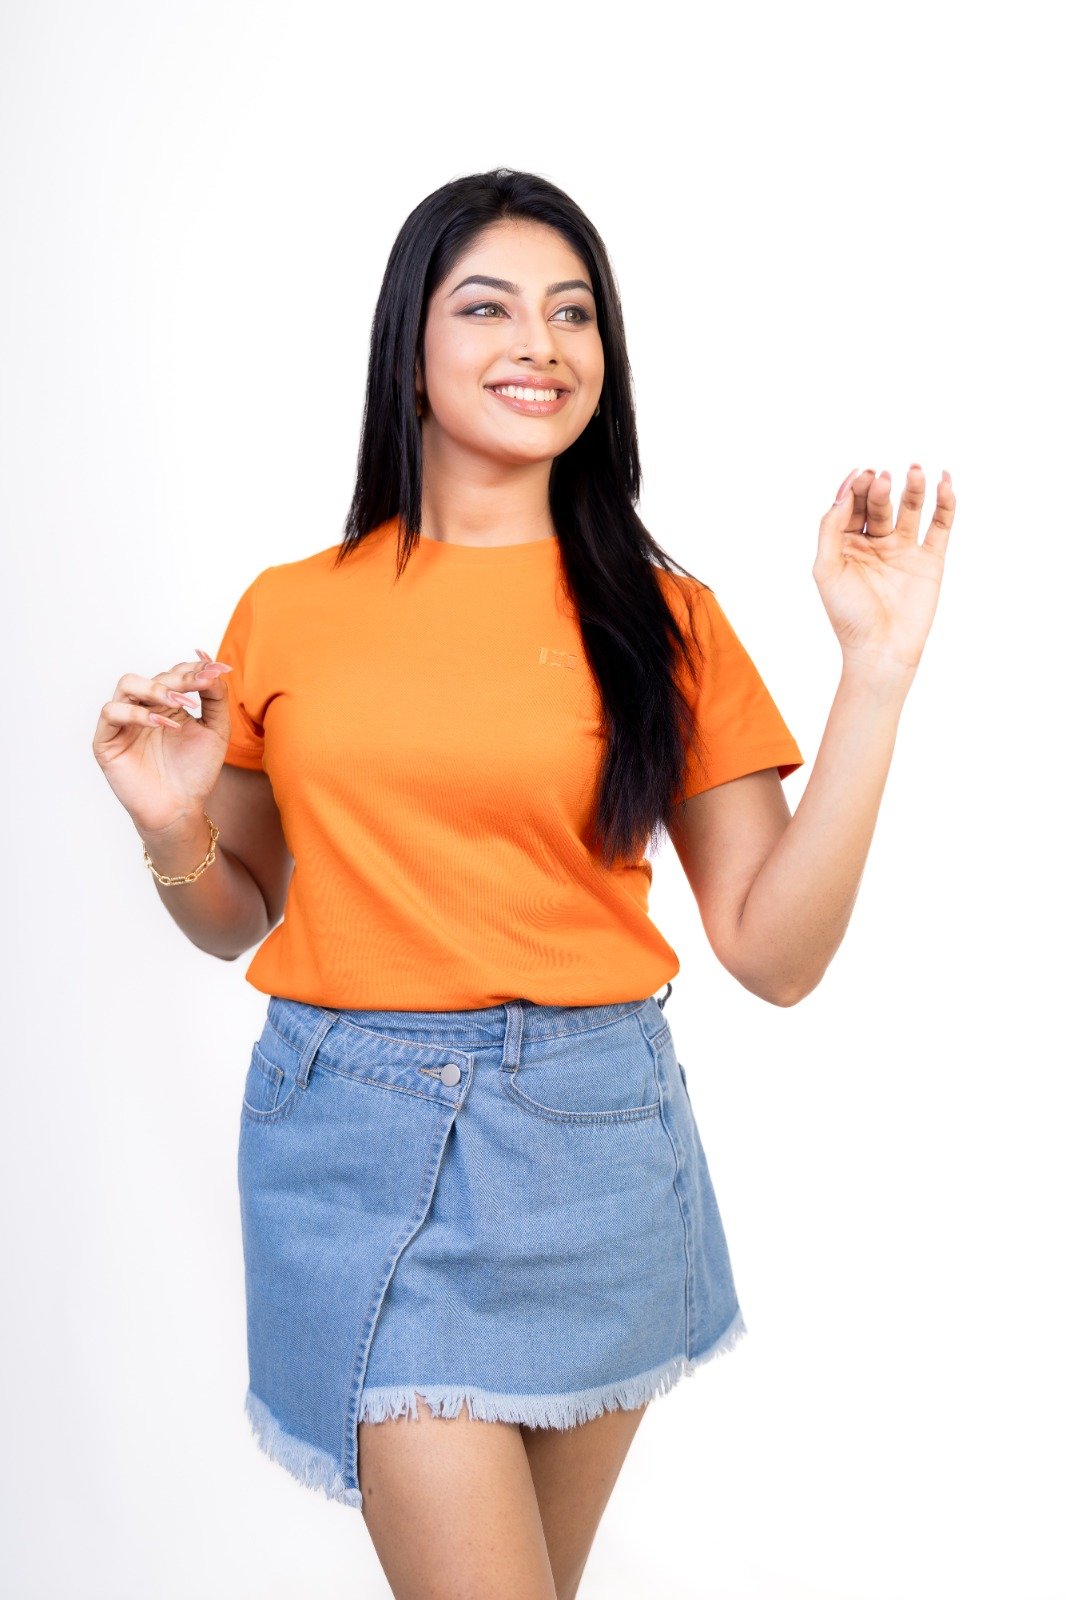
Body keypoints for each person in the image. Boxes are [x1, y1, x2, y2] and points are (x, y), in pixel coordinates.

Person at [92, 167, 956, 1600]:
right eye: (487, 307)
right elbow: (232, 912)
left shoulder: (662, 618)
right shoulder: (289, 607)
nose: (539, 344)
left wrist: (875, 671)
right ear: (410, 352)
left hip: (588, 1144)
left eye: (573, 313)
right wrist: (173, 822)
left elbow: (774, 951)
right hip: (347, 1142)